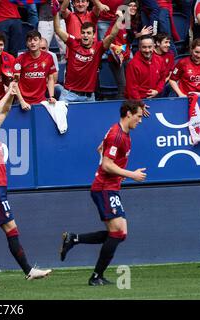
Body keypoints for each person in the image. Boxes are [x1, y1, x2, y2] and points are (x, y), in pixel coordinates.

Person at [60, 99, 147, 286]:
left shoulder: (120, 131)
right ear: (128, 114)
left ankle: (74, 239)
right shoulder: (117, 135)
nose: (140, 120)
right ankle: (96, 276)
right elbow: (107, 164)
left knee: (119, 233)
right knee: (118, 232)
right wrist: (131, 174)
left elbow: (101, 148)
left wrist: (117, 171)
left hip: (110, 187)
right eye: (138, 116)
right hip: (104, 188)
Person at [0, 83, 52, 283]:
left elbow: (4, 110)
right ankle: (28, 270)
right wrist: (8, 92)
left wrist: (13, 94)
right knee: (11, 228)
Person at [54, 9, 122, 103]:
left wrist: (120, 19)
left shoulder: (98, 47)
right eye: (83, 32)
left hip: (88, 97)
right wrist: (55, 13)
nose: (85, 35)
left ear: (94, 35)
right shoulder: (73, 43)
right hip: (69, 95)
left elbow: (112, 35)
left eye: (88, 33)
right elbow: (57, 30)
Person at [14, 30, 57, 110]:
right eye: (30, 40)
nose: (32, 42)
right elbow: (15, 82)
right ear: (27, 43)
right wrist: (21, 101)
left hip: (41, 101)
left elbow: (51, 78)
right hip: (23, 101)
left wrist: (51, 96)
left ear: (40, 41)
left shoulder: (48, 58)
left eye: (35, 40)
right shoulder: (20, 59)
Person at [124, 35, 165, 99]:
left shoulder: (160, 60)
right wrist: (139, 103)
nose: (147, 50)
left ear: (154, 47)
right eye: (144, 47)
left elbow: (162, 78)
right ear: (139, 48)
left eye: (149, 47)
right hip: (138, 100)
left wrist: (157, 90)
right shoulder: (133, 64)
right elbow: (132, 88)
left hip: (155, 98)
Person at [153, 32, 174, 96]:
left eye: (169, 42)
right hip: (152, 84)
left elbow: (170, 72)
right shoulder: (150, 54)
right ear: (158, 43)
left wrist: (163, 82)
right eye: (166, 42)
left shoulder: (170, 54)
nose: (169, 45)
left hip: (165, 82)